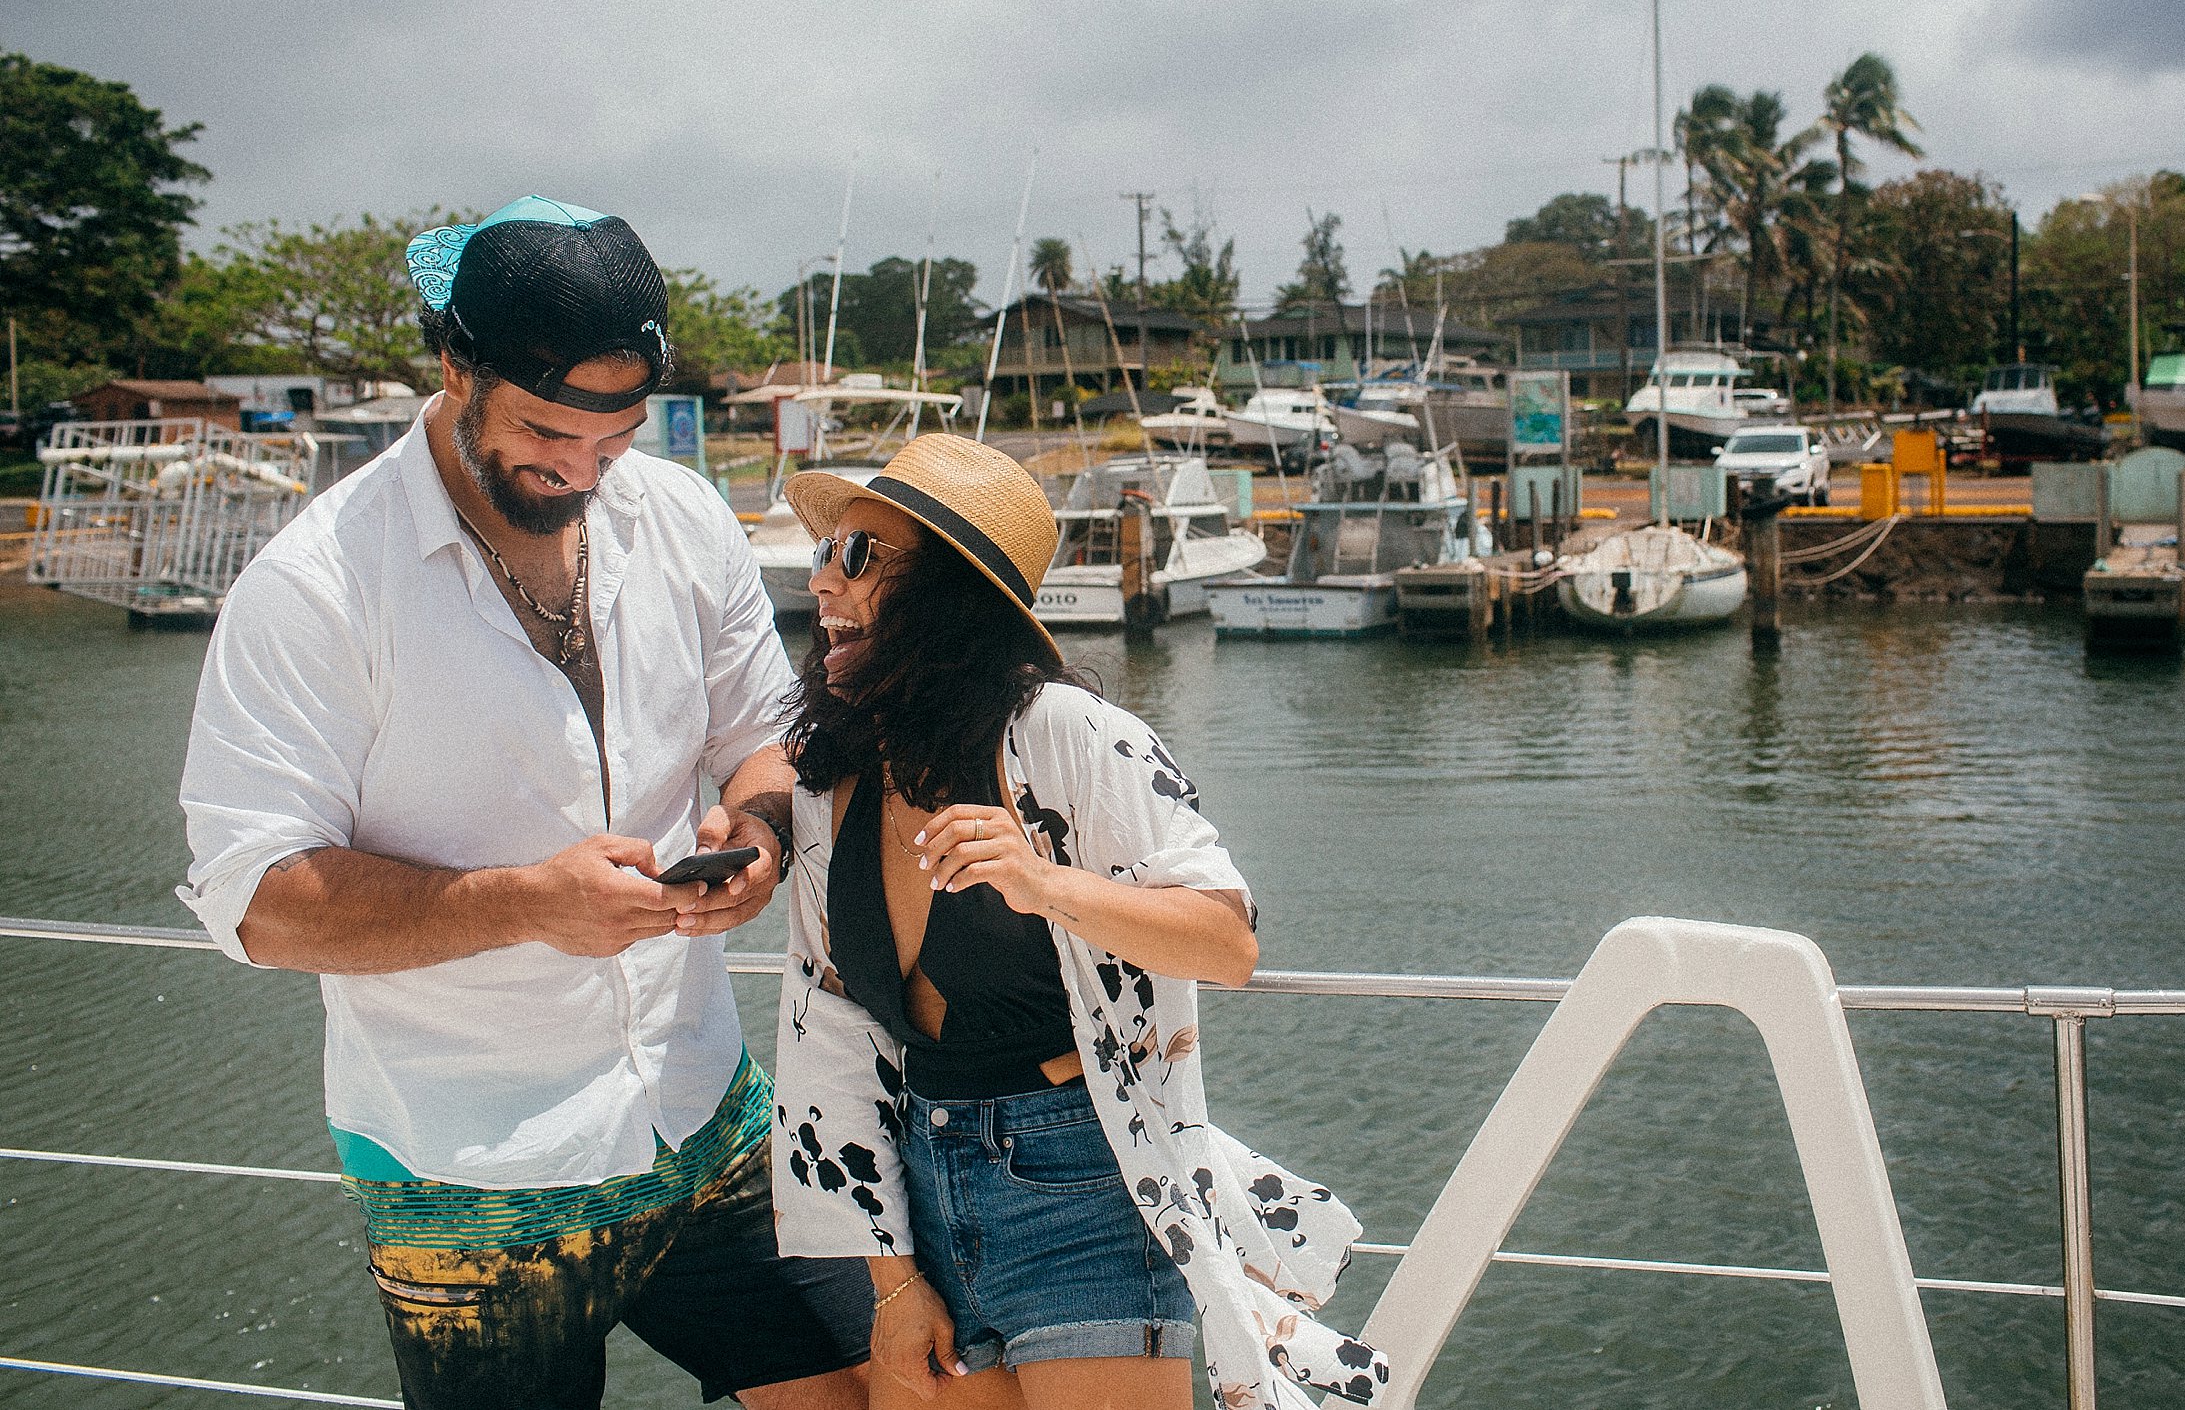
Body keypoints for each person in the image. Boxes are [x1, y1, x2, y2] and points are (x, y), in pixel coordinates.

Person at [178, 195, 872, 1409]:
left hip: (702, 1109)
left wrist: (757, 832)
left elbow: (763, 734)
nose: (584, 470)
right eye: (548, 431)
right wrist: (523, 904)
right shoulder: (315, 585)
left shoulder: (684, 517)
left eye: (614, 439)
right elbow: (260, 902)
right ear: (456, 368)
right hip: (467, 1173)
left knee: (870, 1395)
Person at [769, 433, 1390, 1410]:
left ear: (950, 592)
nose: (822, 585)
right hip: (919, 1179)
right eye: (820, 555)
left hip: (1083, 1182)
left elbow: (1225, 938)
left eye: (856, 557)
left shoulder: (1068, 737)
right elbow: (829, 1034)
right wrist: (889, 1279)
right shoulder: (832, 779)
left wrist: (1043, 882)